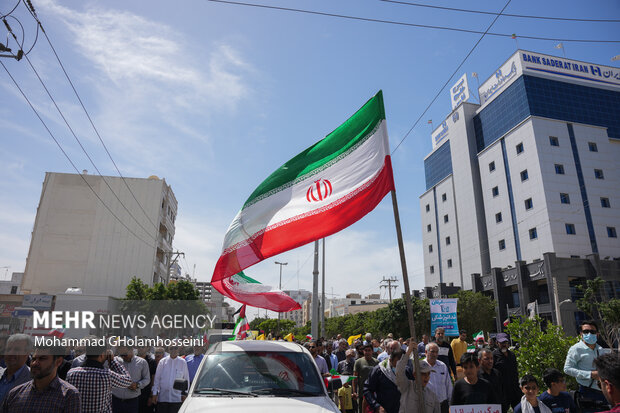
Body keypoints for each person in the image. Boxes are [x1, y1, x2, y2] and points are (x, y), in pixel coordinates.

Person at [1, 344, 81, 412]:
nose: (35, 363)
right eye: (34, 359)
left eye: (42, 359)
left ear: (58, 362)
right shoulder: (15, 393)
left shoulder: (68, 395)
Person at [66, 343, 132, 413]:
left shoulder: (71, 373)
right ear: (102, 355)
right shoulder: (107, 375)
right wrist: (112, 361)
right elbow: (128, 381)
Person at [565, 320, 608, 411]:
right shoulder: (576, 349)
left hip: (604, 391)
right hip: (587, 392)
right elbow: (567, 369)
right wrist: (590, 374)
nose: (589, 334)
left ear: (597, 334)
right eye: (586, 331)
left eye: (592, 332)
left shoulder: (600, 349)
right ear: (581, 334)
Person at [395, 339, 440, 413]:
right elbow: (399, 371)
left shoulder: (432, 396)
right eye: (423, 374)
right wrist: (408, 352)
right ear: (415, 375)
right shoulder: (407, 387)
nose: (426, 377)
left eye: (428, 374)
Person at [150, 345, 189, 413]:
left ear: (178, 349)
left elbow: (186, 379)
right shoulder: (162, 362)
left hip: (177, 398)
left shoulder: (183, 362)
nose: (173, 350)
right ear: (168, 350)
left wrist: (184, 394)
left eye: (175, 348)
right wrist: (154, 393)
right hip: (163, 397)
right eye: (171, 348)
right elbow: (157, 379)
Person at [112, 344, 151, 413]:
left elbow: (147, 379)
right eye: (121, 355)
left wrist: (138, 385)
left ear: (131, 350)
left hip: (132, 402)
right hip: (116, 401)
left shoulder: (142, 362)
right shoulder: (115, 361)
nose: (123, 357)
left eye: (125, 354)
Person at [364, 348, 403, 413]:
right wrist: (376, 406)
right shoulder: (379, 371)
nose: (400, 366)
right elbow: (367, 389)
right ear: (390, 360)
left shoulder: (406, 371)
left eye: (402, 363)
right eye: (397, 364)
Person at [0, 334, 32, 403]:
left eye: (17, 349)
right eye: (8, 349)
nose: (11, 353)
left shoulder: (33, 379)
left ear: (26, 353)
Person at [493, 332, 521, 411]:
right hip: (502, 391)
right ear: (497, 343)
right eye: (501, 343)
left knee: (519, 410)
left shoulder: (512, 355)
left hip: (514, 390)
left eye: (505, 342)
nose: (503, 344)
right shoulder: (494, 356)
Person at [426, 342, 453, 413]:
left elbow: (448, 385)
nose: (434, 354)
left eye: (436, 352)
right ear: (426, 352)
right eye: (432, 352)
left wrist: (451, 404)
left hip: (443, 405)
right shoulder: (421, 367)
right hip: (428, 406)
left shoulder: (442, 366)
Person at [353, 344, 378, 413]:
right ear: (363, 351)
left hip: (373, 393)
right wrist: (354, 391)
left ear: (372, 351)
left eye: (369, 350)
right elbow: (354, 378)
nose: (367, 352)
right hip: (361, 392)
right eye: (365, 350)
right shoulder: (358, 362)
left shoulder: (376, 362)